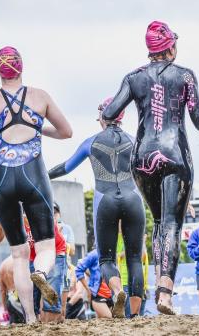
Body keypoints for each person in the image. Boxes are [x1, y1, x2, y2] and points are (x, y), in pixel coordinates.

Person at [102, 21, 199, 315]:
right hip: (175, 155)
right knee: (172, 223)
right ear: (171, 47)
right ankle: (165, 293)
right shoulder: (185, 76)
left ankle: (157, 290)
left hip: (142, 157)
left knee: (161, 222)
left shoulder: (134, 77)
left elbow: (111, 112)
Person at [0, 46, 72, 323]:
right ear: (21, 67)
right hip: (34, 175)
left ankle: (28, 318)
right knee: (46, 248)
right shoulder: (40, 96)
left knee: (17, 254)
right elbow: (66, 132)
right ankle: (40, 272)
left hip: (1, 178)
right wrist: (38, 127)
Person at [49, 98, 145, 317]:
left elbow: (66, 167)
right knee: (133, 258)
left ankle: (117, 291)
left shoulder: (91, 142)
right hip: (133, 199)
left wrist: (43, 176)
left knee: (106, 259)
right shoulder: (135, 140)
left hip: (106, 200)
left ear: (103, 117)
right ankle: (135, 316)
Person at [117, 231, 149, 317]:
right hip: (126, 283)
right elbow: (116, 257)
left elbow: (142, 257)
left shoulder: (140, 242)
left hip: (141, 284)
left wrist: (141, 242)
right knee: (130, 316)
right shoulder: (120, 238)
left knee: (139, 317)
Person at [75, 249, 114, 319]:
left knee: (102, 325)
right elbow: (79, 269)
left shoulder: (112, 253)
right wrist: (88, 289)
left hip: (110, 296)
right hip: (98, 296)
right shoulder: (94, 254)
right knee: (109, 319)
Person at [53, 203, 75, 316]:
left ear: (59, 214)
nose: (53, 215)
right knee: (50, 302)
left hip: (65, 268)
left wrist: (60, 238)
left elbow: (72, 251)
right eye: (51, 212)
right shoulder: (45, 228)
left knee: (62, 305)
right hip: (51, 269)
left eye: (55, 212)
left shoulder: (67, 228)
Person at [0, 256, 25, 324]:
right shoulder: (19, 262)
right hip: (18, 298)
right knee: (27, 323)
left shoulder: (2, 265)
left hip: (9, 299)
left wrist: (4, 308)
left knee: (13, 326)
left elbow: (3, 290)